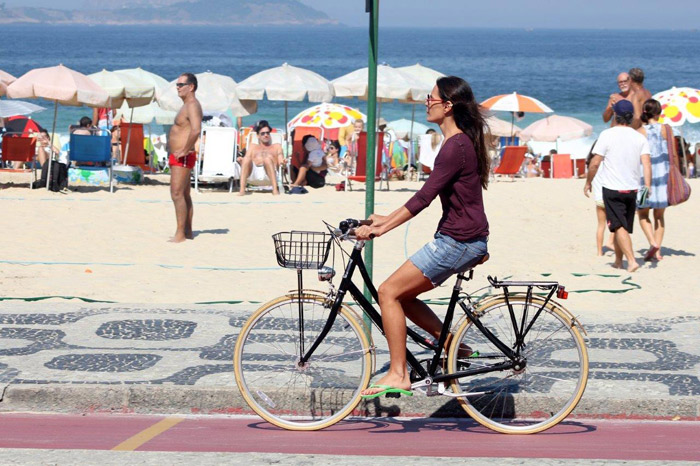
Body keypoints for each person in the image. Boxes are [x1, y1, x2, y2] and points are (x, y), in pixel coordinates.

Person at [355, 76, 490, 398]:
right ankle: (455, 346)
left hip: (459, 241)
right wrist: (384, 218)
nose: (426, 103)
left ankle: (399, 373)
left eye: (431, 99)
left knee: (387, 292)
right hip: (461, 238)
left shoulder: (455, 146)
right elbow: (426, 196)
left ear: (448, 105)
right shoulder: (459, 144)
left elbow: (423, 198)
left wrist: (380, 229)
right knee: (404, 295)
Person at [585, 100, 651, 272]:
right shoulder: (639, 137)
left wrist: (588, 182)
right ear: (631, 117)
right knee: (623, 226)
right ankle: (618, 261)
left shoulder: (607, 135)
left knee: (618, 226)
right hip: (632, 189)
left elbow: (595, 163)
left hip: (612, 188)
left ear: (615, 115)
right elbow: (647, 163)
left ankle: (631, 261)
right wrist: (648, 187)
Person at [167, 73, 202, 243]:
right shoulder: (187, 105)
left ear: (191, 87)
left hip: (183, 156)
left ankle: (180, 233)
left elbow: (196, 130)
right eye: (177, 84)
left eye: (181, 84)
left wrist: (184, 149)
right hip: (179, 155)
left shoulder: (193, 105)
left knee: (176, 193)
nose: (178, 87)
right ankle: (187, 231)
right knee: (184, 194)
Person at [636, 99, 672, 261]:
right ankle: (657, 251)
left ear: (644, 112)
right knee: (660, 216)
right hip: (663, 177)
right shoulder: (666, 129)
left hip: (645, 178)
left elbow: (636, 157)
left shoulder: (640, 132)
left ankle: (652, 242)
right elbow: (674, 153)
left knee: (642, 213)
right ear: (659, 113)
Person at [238, 120, 283, 196]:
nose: (266, 135)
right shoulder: (252, 146)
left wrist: (283, 162)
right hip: (253, 174)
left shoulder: (277, 146)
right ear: (258, 135)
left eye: (267, 133)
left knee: (267, 159)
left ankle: (275, 190)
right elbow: (246, 162)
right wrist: (241, 161)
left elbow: (281, 161)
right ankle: (242, 190)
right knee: (246, 159)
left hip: (270, 175)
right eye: (262, 133)